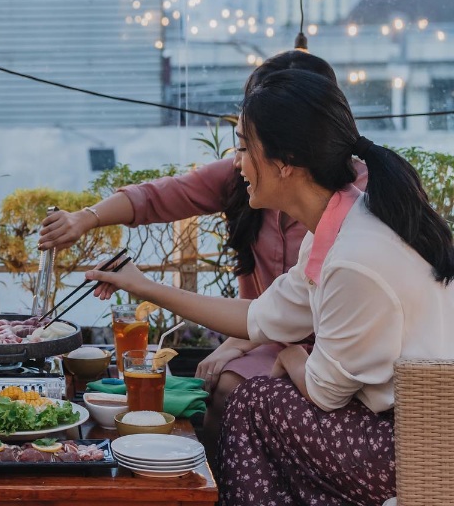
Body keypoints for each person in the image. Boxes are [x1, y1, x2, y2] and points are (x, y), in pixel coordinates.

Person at [85, 69, 454, 506]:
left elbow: (324, 390)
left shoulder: (354, 256)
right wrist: (144, 286)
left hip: (418, 448)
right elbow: (259, 316)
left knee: (253, 402)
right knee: (254, 396)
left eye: (244, 148)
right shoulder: (341, 225)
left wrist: (291, 354)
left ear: (285, 162)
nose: (236, 162)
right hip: (392, 431)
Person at [39, 50, 364, 460]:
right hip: (271, 331)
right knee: (214, 381)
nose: (237, 160)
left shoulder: (354, 214)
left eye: (248, 143)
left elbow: (315, 330)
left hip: (332, 349)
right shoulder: (249, 177)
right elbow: (162, 196)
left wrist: (249, 345)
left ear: (293, 143)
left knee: (229, 385)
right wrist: (86, 219)